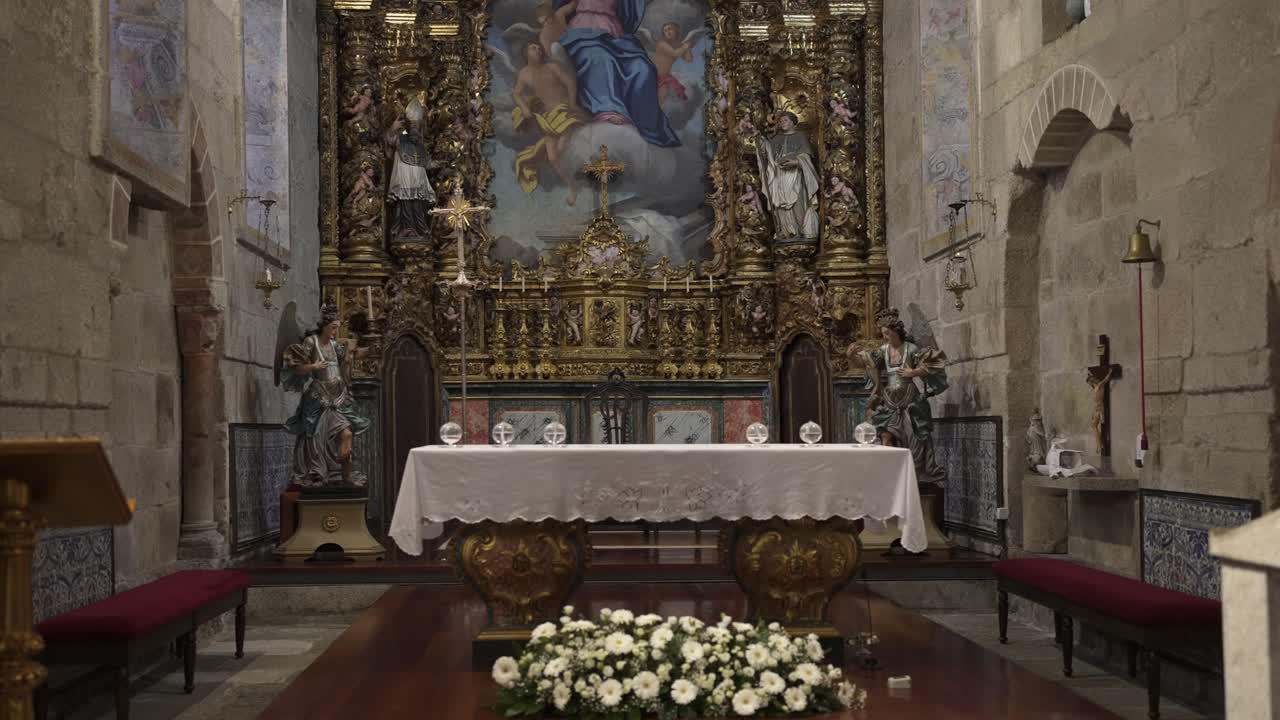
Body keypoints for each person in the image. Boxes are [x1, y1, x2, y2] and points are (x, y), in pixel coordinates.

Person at [552, 0, 680, 147]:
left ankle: (643, 123)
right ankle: (608, 109)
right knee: (600, 58)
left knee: (642, 67)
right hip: (584, 33)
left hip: (615, 34)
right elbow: (563, 10)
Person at [851, 307, 948, 485]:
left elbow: (933, 363)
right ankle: (888, 475)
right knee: (885, 435)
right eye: (883, 334)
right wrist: (851, 356)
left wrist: (914, 372)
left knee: (915, 438)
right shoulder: (883, 350)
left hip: (910, 400)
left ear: (895, 331)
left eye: (887, 333)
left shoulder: (911, 349)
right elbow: (866, 363)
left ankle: (916, 477)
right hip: (889, 400)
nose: (885, 337)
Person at [282, 305, 371, 488]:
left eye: (337, 327)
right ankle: (317, 474)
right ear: (324, 326)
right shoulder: (311, 342)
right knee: (314, 439)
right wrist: (313, 367)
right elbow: (295, 367)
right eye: (333, 327)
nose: (335, 331)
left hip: (337, 397)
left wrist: (374, 348)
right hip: (318, 398)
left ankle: (344, 474)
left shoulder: (336, 346)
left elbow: (353, 356)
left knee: (346, 433)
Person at [512, 42, 585, 204]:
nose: (538, 50)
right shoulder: (524, 74)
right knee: (552, 157)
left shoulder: (552, 67)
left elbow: (570, 82)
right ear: (526, 54)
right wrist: (524, 108)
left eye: (539, 48)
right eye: (533, 48)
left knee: (561, 148)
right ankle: (573, 186)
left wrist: (572, 104)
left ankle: (580, 176)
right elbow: (516, 94)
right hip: (549, 118)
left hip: (565, 112)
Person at [755, 111, 820, 241]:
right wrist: (761, 142)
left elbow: (806, 156)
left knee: (798, 203)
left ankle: (801, 231)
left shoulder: (800, 136)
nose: (782, 123)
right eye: (780, 121)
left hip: (795, 175)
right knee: (780, 206)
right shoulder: (774, 139)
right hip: (778, 176)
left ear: (793, 122)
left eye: (785, 120)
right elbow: (766, 155)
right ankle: (786, 232)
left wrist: (797, 162)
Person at [385, 98, 436, 241]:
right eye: (412, 129)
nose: (415, 133)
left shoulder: (421, 146)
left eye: (417, 130)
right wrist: (393, 127)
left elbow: (428, 163)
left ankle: (420, 229)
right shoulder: (401, 139)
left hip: (418, 181)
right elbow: (389, 140)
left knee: (418, 205)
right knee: (405, 203)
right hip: (404, 178)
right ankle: (406, 229)